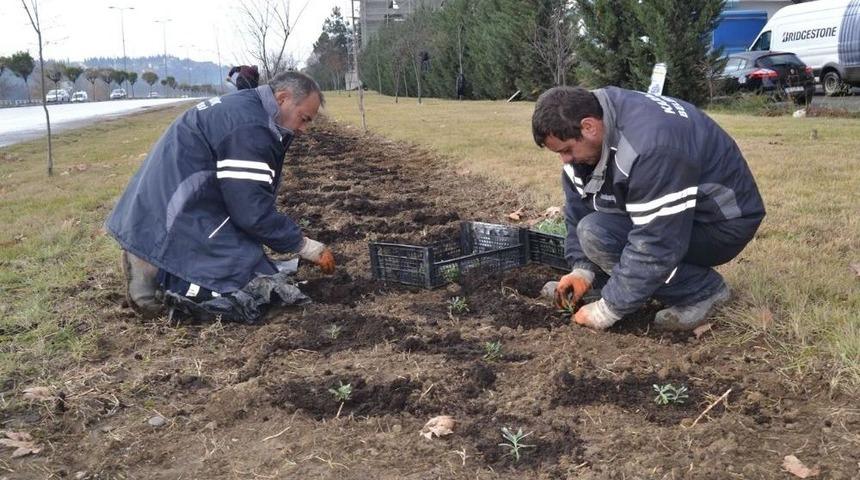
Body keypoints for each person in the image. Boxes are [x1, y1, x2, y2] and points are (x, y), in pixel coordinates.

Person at [532, 86, 765, 331]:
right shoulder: (594, 114)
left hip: (719, 222)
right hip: (673, 209)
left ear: (589, 126)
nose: (565, 160)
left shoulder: (651, 148)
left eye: (567, 150)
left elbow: (657, 243)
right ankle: (609, 282)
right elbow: (580, 203)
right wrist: (583, 270)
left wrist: (607, 310)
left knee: (598, 234)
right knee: (593, 228)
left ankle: (702, 291)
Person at [106, 70, 334, 322]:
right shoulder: (250, 128)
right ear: (282, 98)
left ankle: (152, 258)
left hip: (177, 198)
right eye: (303, 118)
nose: (303, 129)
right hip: (177, 210)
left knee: (251, 260)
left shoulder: (248, 107)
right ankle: (154, 271)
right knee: (246, 284)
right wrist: (304, 246)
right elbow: (251, 211)